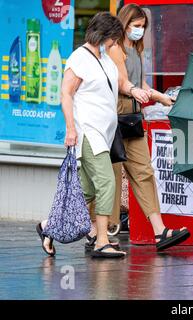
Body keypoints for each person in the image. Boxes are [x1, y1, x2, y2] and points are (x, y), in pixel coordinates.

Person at [36, 12, 127, 258]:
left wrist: (137, 91)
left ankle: (48, 227)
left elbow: (117, 84)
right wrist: (71, 128)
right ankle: (101, 240)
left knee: (85, 190)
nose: (114, 44)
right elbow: (66, 94)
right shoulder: (79, 58)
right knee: (107, 182)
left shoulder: (105, 58)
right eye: (113, 39)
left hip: (103, 135)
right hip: (88, 133)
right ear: (102, 35)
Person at [107, 3, 190, 251]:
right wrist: (140, 93)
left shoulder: (137, 50)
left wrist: (162, 97)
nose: (140, 31)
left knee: (144, 172)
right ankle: (99, 231)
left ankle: (159, 231)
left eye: (143, 27)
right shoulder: (115, 48)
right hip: (114, 115)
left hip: (133, 115)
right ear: (125, 24)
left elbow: (139, 82)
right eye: (136, 26)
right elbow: (123, 82)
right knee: (109, 177)